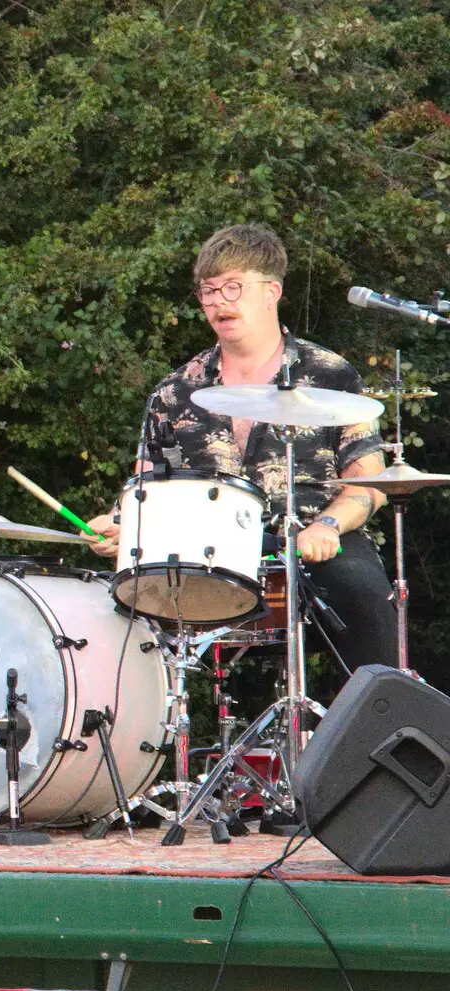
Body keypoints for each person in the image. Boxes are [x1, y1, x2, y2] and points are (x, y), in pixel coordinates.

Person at [87, 224, 397, 676]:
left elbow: (369, 484)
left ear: (271, 291)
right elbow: (145, 486)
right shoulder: (176, 391)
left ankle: (384, 721)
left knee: (361, 587)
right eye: (208, 291)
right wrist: (122, 522)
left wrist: (326, 527)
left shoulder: (330, 375)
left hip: (314, 542)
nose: (219, 302)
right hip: (211, 549)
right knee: (123, 606)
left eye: (233, 287)